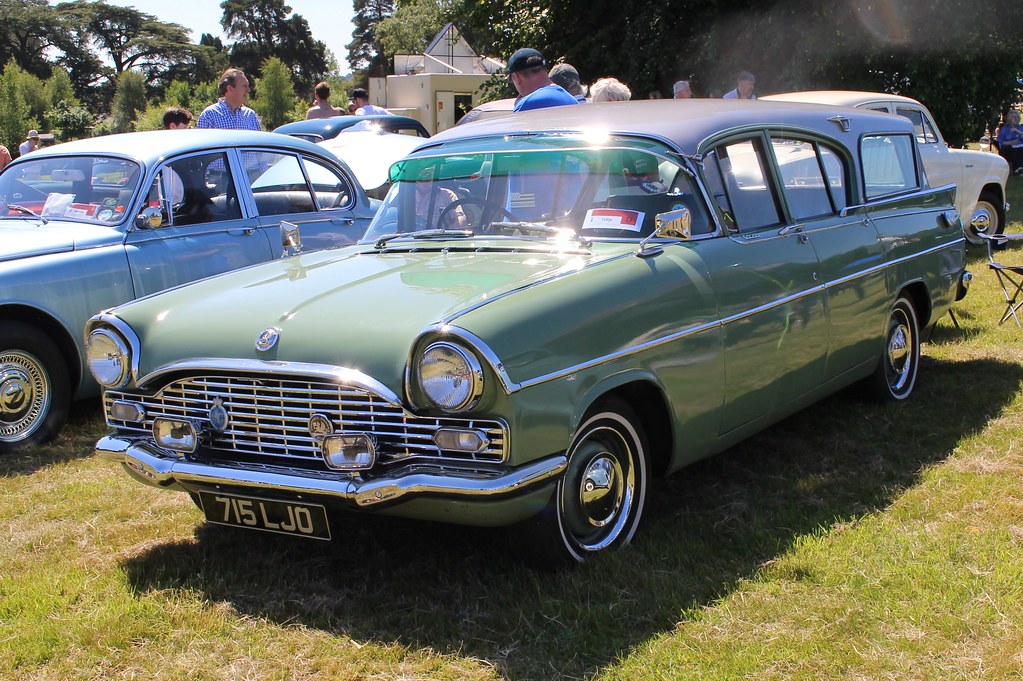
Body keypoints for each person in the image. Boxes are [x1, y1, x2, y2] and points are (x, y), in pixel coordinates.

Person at [507, 48, 579, 112]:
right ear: (544, 69)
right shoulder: (571, 100)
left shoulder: (526, 105)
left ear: (516, 77)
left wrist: (518, 106)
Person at [196, 68, 262, 130]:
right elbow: (200, 141)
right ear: (229, 88)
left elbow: (259, 141)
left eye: (248, 86)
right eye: (244, 86)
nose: (248, 90)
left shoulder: (250, 115)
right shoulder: (209, 115)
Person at [997, 110, 1023, 175]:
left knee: (1020, 149)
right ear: (1010, 119)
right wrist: (1010, 142)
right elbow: (1000, 141)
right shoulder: (1005, 129)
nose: (1016, 119)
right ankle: (1018, 169)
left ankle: (1019, 168)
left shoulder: (1021, 128)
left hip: (1020, 146)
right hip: (1008, 147)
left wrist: (1017, 131)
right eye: (1014, 117)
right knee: (1015, 150)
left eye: (1017, 117)